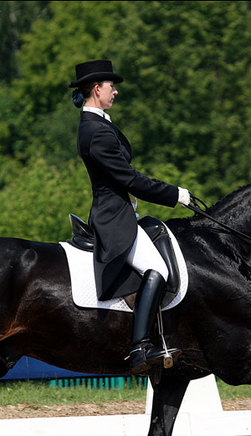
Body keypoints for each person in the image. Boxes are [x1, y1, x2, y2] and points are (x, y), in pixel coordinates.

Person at [69, 59, 191, 375]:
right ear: (97, 89)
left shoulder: (99, 124)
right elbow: (129, 179)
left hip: (123, 214)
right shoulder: (95, 131)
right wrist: (173, 194)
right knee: (158, 268)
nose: (116, 91)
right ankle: (139, 348)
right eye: (111, 86)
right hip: (114, 220)